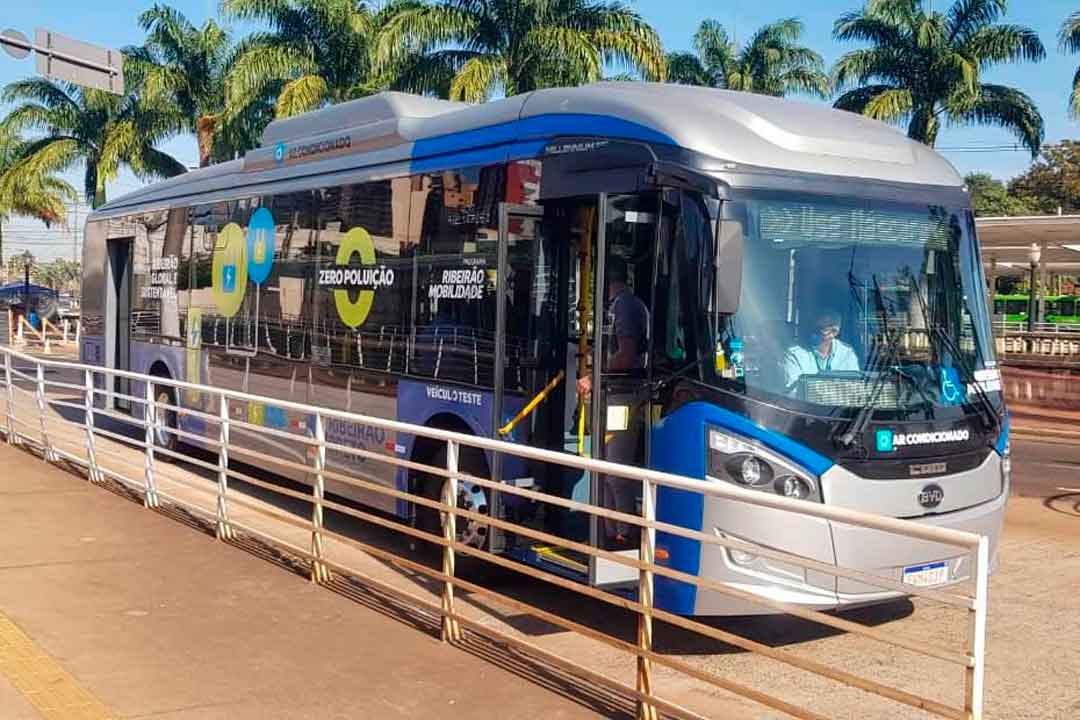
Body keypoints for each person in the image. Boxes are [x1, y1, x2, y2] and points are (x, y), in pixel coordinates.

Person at [576, 256, 648, 548]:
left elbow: (627, 354)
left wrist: (593, 377)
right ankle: (609, 530)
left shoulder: (624, 306)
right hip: (617, 395)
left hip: (621, 396)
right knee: (605, 468)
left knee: (616, 468)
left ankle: (623, 533)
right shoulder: (627, 304)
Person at [783, 310, 860, 391]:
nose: (813, 333)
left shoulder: (847, 353)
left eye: (820, 329)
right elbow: (793, 392)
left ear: (835, 332)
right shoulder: (794, 354)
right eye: (812, 327)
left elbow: (855, 387)